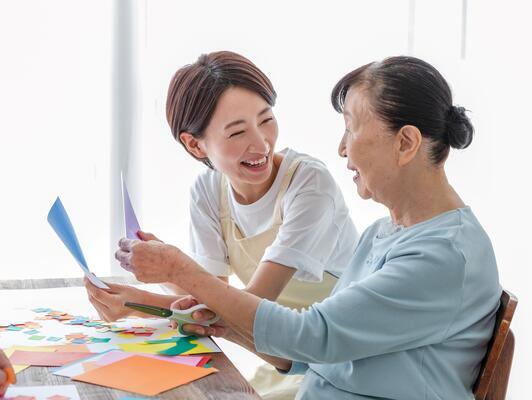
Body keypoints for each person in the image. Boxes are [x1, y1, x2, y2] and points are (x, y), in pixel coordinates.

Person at [115, 55, 502, 399]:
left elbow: (312, 336)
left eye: (350, 128)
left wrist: (178, 270)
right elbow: (315, 353)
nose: (341, 148)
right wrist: (224, 328)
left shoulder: (444, 256)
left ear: (406, 143)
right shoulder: (384, 234)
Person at [85, 51, 358, 399]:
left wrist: (149, 291)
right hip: (283, 361)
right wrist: (167, 270)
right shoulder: (208, 190)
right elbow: (213, 300)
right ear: (195, 144)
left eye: (266, 119)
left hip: (340, 368)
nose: (260, 143)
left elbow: (251, 308)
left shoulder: (309, 183)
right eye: (237, 132)